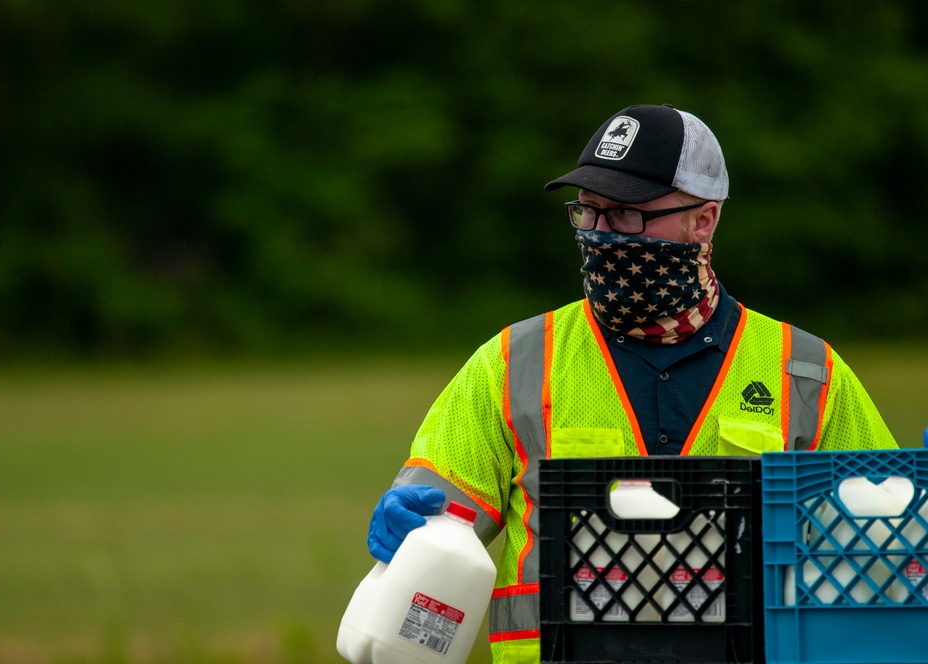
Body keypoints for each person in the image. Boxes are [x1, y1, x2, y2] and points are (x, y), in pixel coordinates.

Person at [364, 104, 898, 663]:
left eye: (626, 216)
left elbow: (886, 545)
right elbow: (438, 522)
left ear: (705, 219)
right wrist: (411, 517)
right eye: (588, 212)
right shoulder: (514, 362)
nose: (600, 235)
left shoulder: (807, 372)